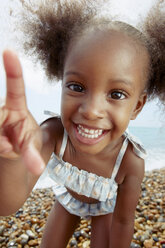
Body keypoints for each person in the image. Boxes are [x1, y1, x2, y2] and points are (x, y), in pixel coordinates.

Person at [0, 0, 164, 247]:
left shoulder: (130, 160)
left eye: (116, 94)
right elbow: (7, 204)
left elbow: (123, 221)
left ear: (138, 106)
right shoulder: (53, 133)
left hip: (105, 207)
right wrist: (11, 157)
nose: (91, 111)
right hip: (68, 200)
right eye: (76, 87)